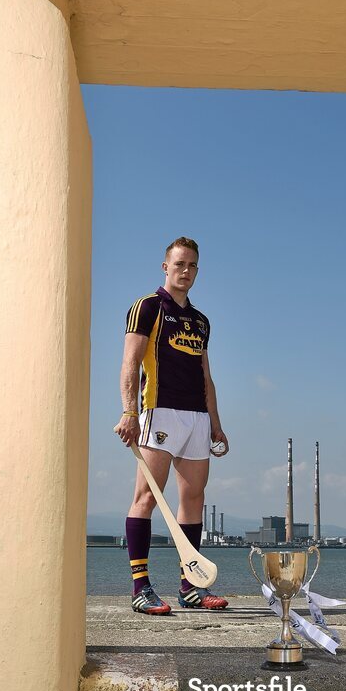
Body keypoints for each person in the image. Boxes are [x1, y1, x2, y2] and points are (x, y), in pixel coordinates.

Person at [114, 237, 230, 614]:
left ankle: (191, 586)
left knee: (193, 499)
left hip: (196, 417)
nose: (186, 271)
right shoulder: (147, 307)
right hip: (158, 412)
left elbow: (205, 375)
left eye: (193, 265)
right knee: (148, 497)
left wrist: (216, 423)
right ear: (166, 267)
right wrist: (129, 412)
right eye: (180, 264)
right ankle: (141, 587)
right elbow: (130, 362)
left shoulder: (200, 321)